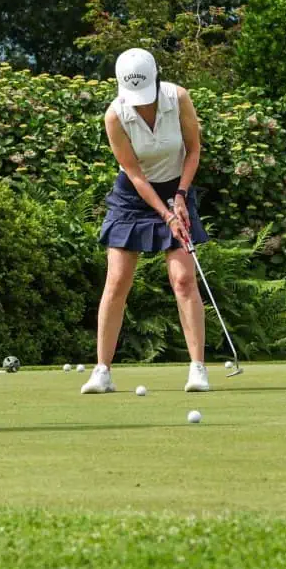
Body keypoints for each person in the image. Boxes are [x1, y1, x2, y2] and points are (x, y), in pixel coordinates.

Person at [81, 48, 214, 395]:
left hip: (177, 186)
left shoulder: (178, 98)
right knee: (118, 280)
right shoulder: (115, 115)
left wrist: (181, 197)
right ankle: (102, 372)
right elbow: (134, 173)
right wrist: (165, 213)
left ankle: (197, 368)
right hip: (133, 196)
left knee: (184, 279)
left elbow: (194, 149)